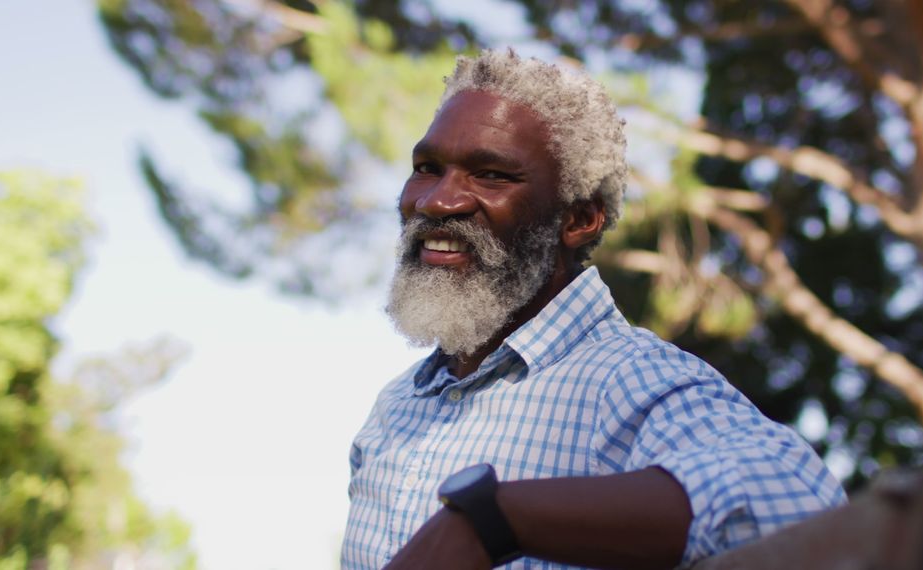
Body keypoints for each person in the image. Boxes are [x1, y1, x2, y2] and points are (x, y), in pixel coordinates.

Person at [341, 49, 846, 570]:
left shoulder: (629, 380)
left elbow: (802, 504)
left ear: (579, 219)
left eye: (490, 174)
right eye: (427, 168)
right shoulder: (396, 407)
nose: (436, 201)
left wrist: (490, 521)